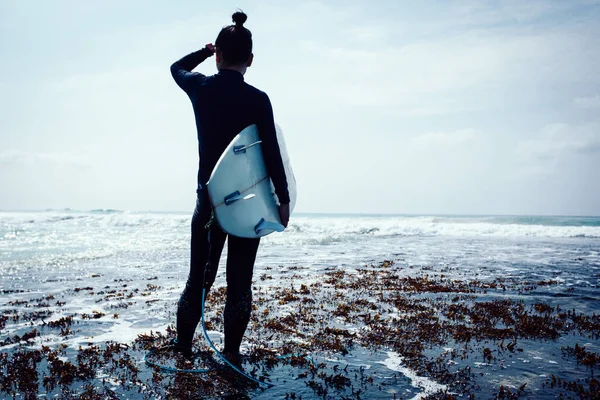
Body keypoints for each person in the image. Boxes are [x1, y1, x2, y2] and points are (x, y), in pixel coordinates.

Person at [170, 11, 290, 367]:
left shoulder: (201, 87)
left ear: (219, 55)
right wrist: (282, 199)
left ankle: (183, 347)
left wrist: (203, 52)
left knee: (198, 279)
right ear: (251, 60)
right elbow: (271, 152)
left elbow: (176, 67)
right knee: (240, 282)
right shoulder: (258, 99)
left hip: (208, 204)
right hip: (248, 207)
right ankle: (232, 351)